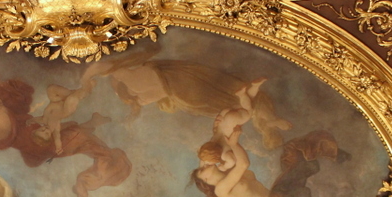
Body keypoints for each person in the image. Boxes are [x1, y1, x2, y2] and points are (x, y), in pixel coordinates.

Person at [0, 72, 131, 197]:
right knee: (75, 136)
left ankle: (95, 176)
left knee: (75, 138)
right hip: (31, 130)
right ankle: (95, 167)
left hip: (35, 140)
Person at [82, 49, 291, 150]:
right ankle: (263, 113)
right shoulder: (140, 88)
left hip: (184, 91)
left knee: (239, 105)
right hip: (184, 91)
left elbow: (101, 67)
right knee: (239, 104)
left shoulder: (134, 83)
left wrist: (83, 84)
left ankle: (262, 111)